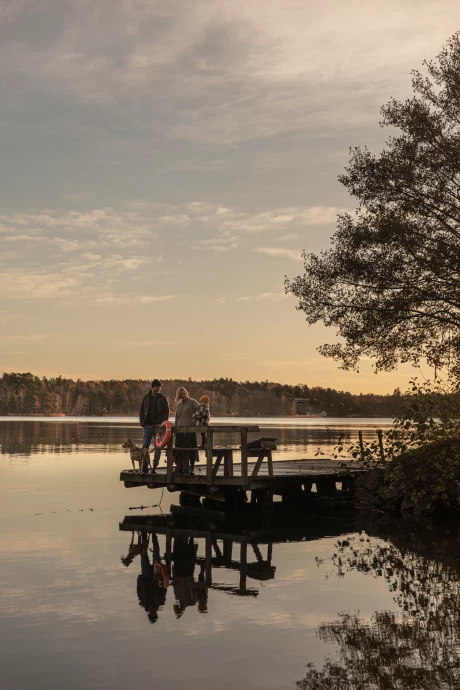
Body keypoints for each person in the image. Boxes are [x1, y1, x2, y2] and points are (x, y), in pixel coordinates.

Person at [139, 379, 169, 473]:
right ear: (152, 387)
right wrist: (143, 424)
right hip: (147, 427)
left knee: (158, 448)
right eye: (157, 387)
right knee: (145, 447)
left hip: (158, 427)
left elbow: (166, 412)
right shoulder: (146, 398)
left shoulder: (163, 398)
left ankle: (155, 466)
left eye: (159, 388)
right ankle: (145, 465)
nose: (158, 389)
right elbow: (141, 412)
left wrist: (162, 424)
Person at [174, 386, 200, 474]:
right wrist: (175, 428)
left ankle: (191, 468)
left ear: (186, 392)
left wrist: (196, 421)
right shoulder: (179, 404)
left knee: (191, 450)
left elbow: (201, 410)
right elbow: (177, 418)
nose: (183, 395)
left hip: (190, 431)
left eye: (184, 393)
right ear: (179, 396)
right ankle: (181, 467)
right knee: (180, 451)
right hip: (180, 431)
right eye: (181, 394)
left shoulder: (192, 402)